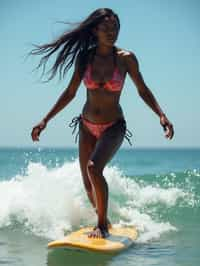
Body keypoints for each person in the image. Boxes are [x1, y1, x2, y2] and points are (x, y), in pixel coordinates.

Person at [31, 8, 174, 238]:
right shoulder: (85, 57)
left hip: (114, 126)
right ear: (95, 30)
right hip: (86, 125)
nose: (111, 32)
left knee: (93, 168)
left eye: (115, 28)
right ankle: (104, 219)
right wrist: (45, 120)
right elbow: (70, 93)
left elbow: (142, 90)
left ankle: (102, 226)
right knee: (88, 186)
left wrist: (161, 115)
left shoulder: (126, 59)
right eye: (106, 28)